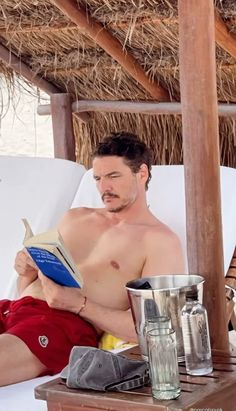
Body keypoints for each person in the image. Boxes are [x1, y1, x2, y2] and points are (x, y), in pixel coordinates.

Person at [0, 131, 184, 386]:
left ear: (142, 174)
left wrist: (78, 305)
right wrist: (26, 270)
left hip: (62, 326)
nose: (103, 187)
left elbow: (152, 330)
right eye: (97, 178)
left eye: (113, 176)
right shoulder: (75, 217)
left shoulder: (159, 242)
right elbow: (29, 289)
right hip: (13, 308)